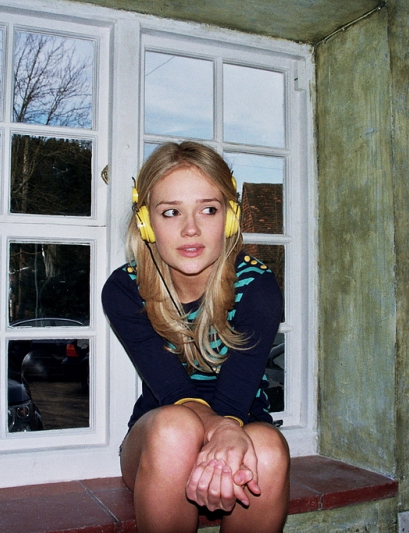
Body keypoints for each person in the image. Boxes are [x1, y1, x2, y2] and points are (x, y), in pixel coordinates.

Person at [102, 141, 289, 533]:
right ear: (146, 223)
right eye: (171, 212)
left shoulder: (258, 288)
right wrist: (220, 431)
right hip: (162, 438)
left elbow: (235, 400)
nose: (191, 229)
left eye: (208, 209)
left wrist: (228, 434)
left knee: (269, 449)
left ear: (230, 218)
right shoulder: (124, 290)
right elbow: (175, 392)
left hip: (241, 421)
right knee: (176, 429)